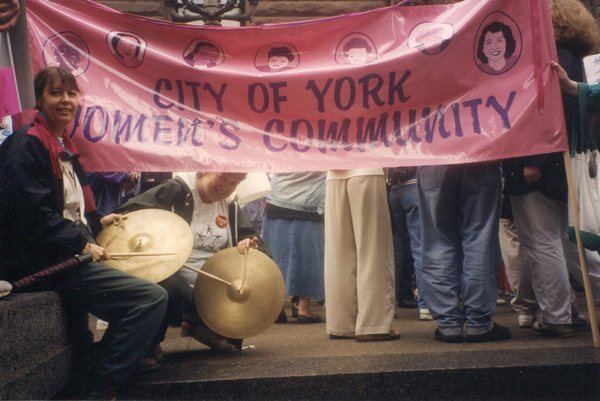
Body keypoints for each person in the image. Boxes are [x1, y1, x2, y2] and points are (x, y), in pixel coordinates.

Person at [0, 66, 168, 399]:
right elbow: (30, 216)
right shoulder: (26, 146)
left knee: (167, 280)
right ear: (39, 100)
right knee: (150, 299)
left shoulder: (61, 144)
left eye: (72, 93)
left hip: (68, 251)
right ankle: (104, 384)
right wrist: (81, 241)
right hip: (45, 262)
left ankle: (101, 362)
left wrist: (97, 222)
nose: (66, 100)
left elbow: (71, 208)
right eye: (56, 93)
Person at [501, 0, 600, 338]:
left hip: (540, 159)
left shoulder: (545, 56)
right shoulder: (579, 56)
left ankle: (557, 314)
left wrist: (531, 161)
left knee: (542, 242)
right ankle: (566, 310)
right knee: (567, 240)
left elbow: (543, 111)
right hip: (569, 160)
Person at [116, 171, 264, 354]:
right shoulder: (177, 189)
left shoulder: (230, 204)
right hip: (175, 270)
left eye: (233, 183)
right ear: (206, 171)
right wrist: (116, 219)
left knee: (235, 337)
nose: (226, 187)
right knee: (170, 289)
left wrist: (249, 241)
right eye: (222, 178)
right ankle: (153, 340)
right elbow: (131, 210)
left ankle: (198, 324)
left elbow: (248, 235)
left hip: (217, 278)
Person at [417, 163, 511, 343]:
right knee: (479, 236)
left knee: (437, 238)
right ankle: (479, 322)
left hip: (433, 154)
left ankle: (448, 323)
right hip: (479, 152)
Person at [324, 168, 399, 341]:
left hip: (333, 172)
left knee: (338, 253)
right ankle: (374, 324)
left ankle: (340, 323)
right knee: (373, 249)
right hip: (367, 167)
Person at [262, 172, 326, 323]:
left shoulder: (283, 148)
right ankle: (303, 309)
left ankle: (277, 309)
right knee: (308, 259)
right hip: (307, 206)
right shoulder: (319, 149)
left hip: (277, 200)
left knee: (276, 259)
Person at [387, 167, 433, 320]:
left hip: (394, 189)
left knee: (396, 251)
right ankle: (426, 305)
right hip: (415, 184)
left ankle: (388, 306)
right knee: (420, 246)